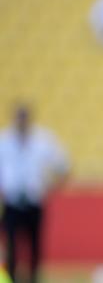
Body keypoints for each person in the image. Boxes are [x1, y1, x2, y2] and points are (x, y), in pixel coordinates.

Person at [0, 104, 69, 283]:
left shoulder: (43, 140)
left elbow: (63, 166)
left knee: (35, 248)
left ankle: (33, 280)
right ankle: (12, 279)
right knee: (12, 247)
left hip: (33, 201)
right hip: (12, 203)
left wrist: (50, 186)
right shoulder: (4, 141)